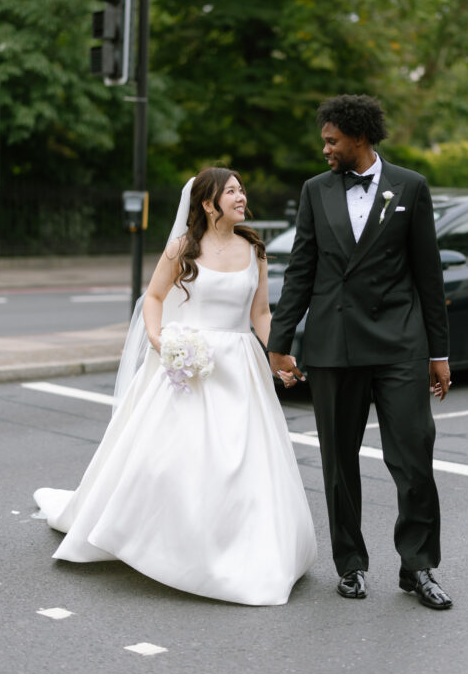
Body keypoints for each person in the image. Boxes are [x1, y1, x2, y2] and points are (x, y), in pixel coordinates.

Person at [34, 167, 317, 606]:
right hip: (189, 365)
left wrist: (277, 351)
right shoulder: (182, 248)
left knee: (244, 461)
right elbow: (153, 297)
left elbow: (260, 312)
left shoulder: (254, 249)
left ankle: (241, 547)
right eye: (232, 192)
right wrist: (158, 337)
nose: (242, 197)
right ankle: (166, 541)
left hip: (239, 367)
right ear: (208, 203)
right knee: (174, 459)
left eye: (243, 189)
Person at [267, 95, 452, 609]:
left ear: (359, 138)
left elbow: (428, 275)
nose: (324, 148)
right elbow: (301, 269)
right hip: (334, 343)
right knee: (338, 463)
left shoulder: (410, 187)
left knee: (414, 454)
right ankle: (350, 563)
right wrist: (280, 344)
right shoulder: (314, 191)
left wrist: (438, 351)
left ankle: (418, 566)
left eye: (331, 140)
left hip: (399, 341)